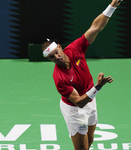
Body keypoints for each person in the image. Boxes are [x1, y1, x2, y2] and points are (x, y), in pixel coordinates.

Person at [42, 0, 121, 149]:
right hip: (74, 110)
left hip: (90, 100)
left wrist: (112, 6)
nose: (57, 57)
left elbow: (96, 27)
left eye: (56, 52)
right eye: (52, 57)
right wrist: (97, 87)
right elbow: (79, 102)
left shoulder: (75, 48)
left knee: (89, 141)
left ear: (60, 47)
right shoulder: (59, 78)